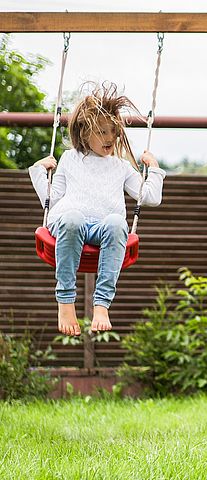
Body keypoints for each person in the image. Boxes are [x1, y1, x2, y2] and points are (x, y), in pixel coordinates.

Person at [29, 82, 166, 337]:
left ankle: (102, 304)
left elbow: (149, 197)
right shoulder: (70, 159)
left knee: (117, 223)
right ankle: (65, 300)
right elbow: (51, 197)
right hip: (68, 224)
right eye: (102, 132)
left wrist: (154, 168)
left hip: (103, 229)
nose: (110, 138)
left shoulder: (122, 167)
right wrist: (39, 170)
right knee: (73, 218)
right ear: (84, 133)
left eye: (113, 132)